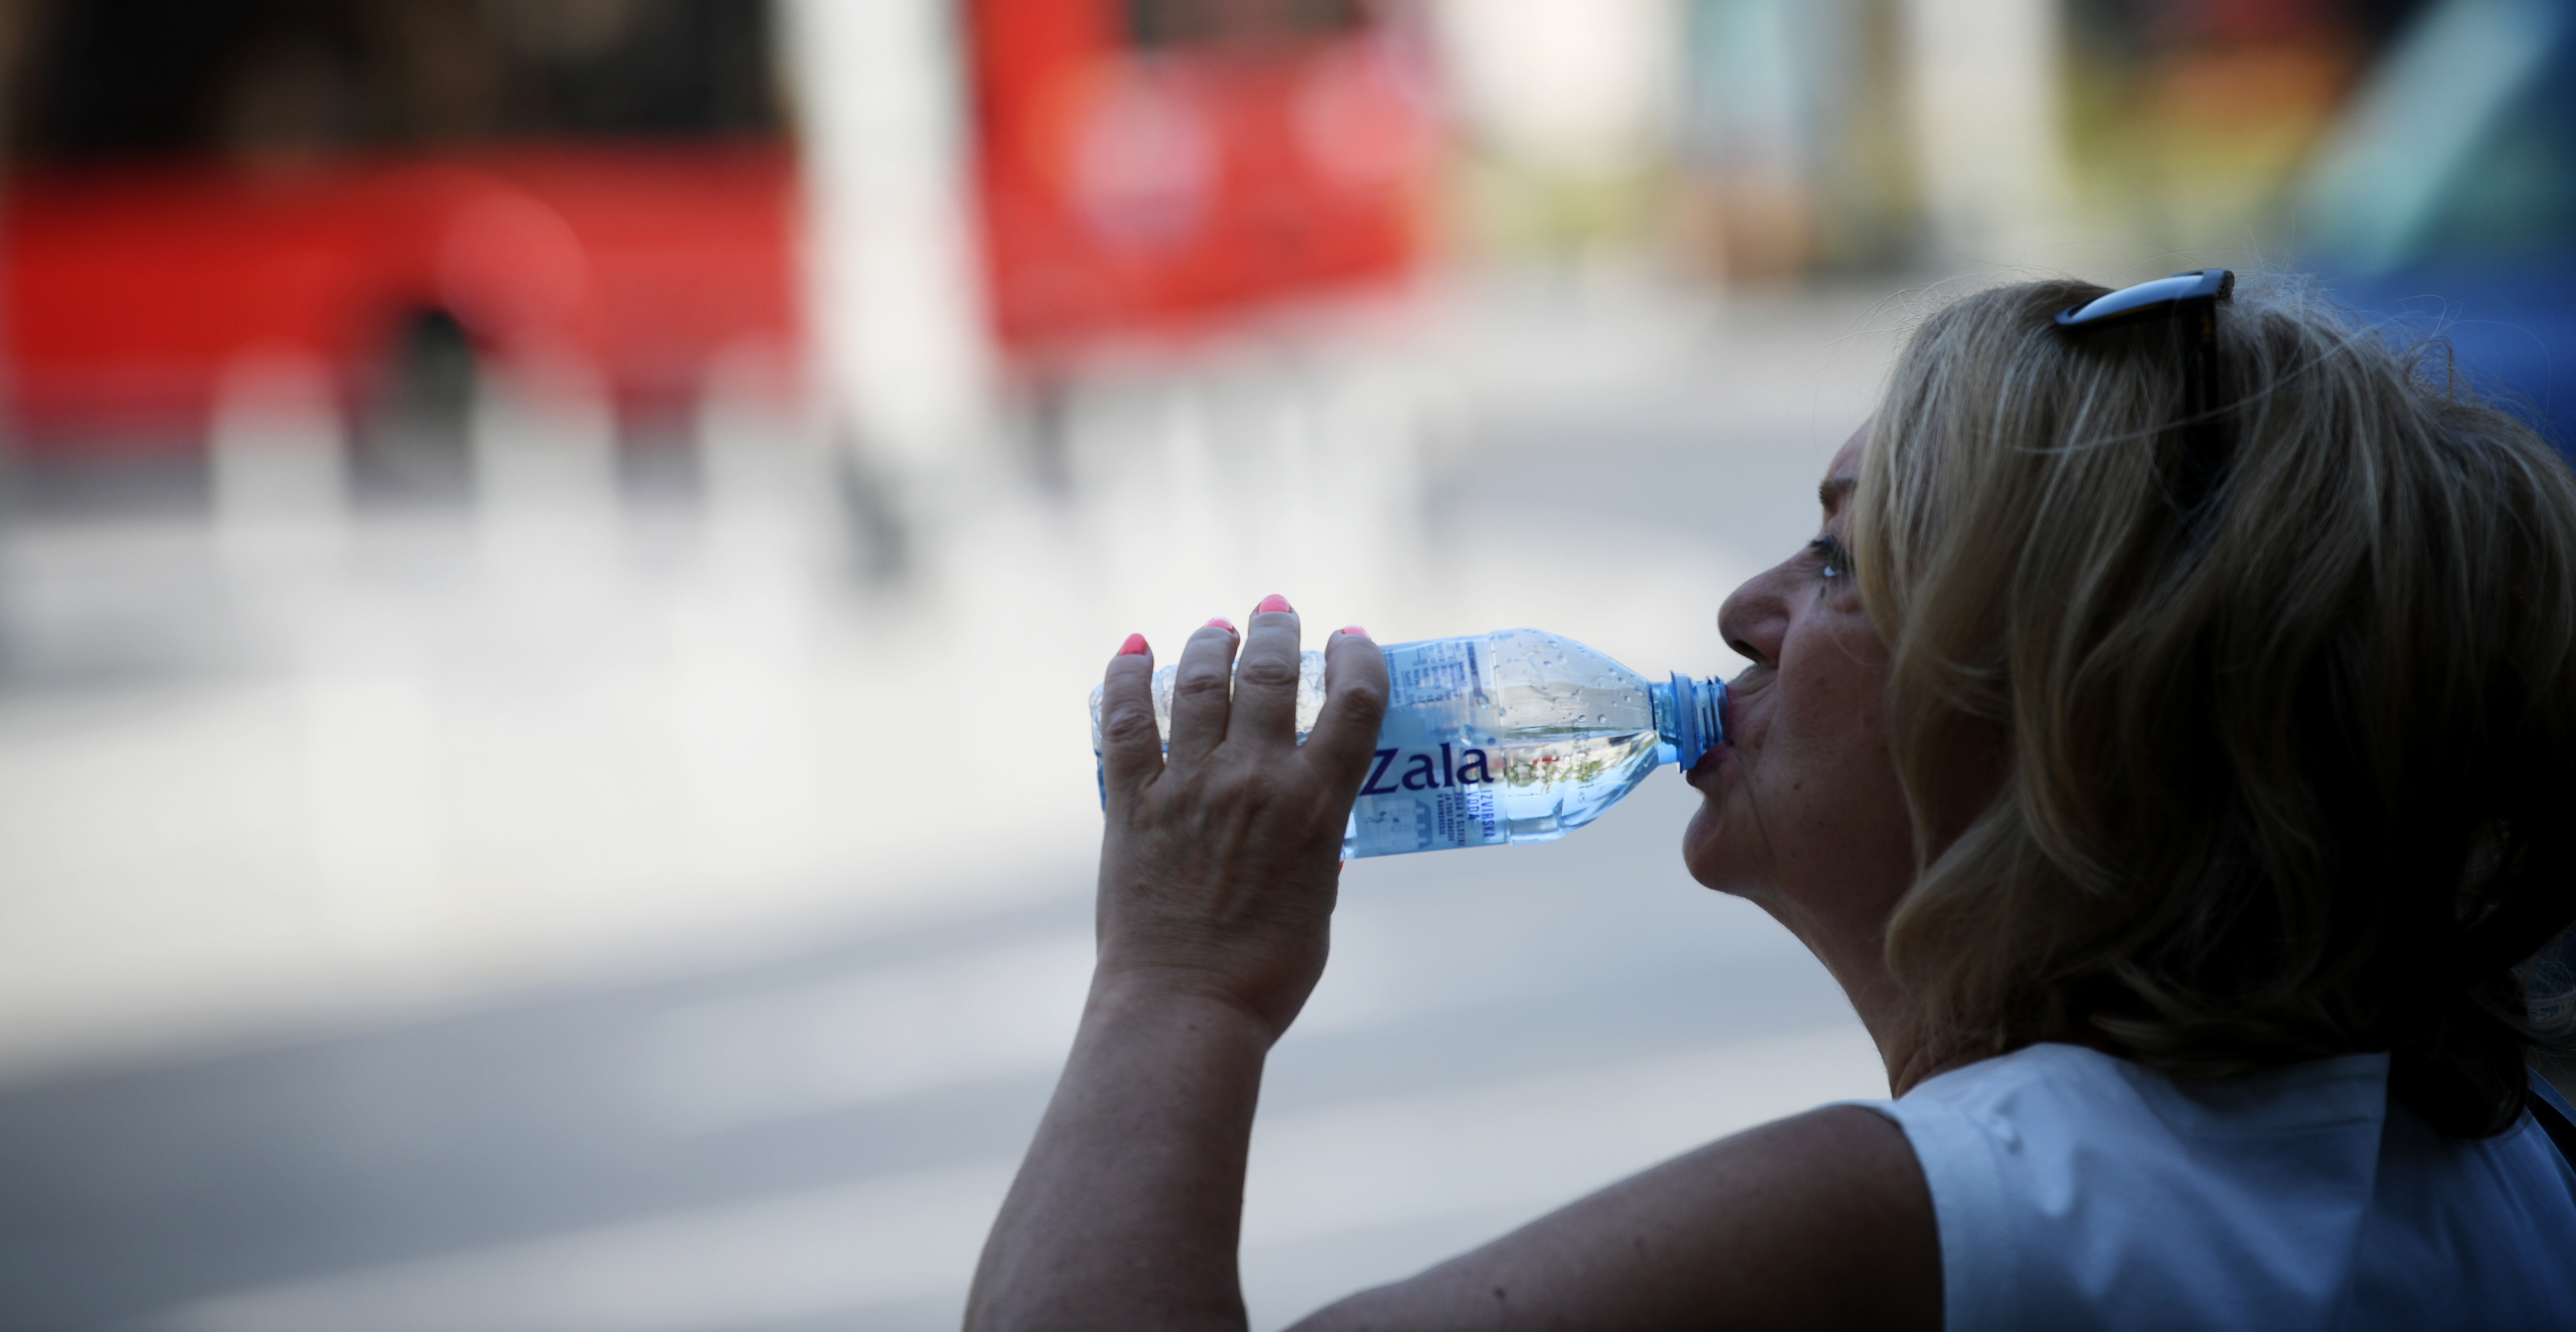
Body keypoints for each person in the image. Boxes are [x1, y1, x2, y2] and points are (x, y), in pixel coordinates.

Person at [967, 275, 2576, 1330]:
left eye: (1840, 561)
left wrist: (1174, 988)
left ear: (2060, 715)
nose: (1744, 606)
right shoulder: (2492, 1165)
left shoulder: (1937, 1215)